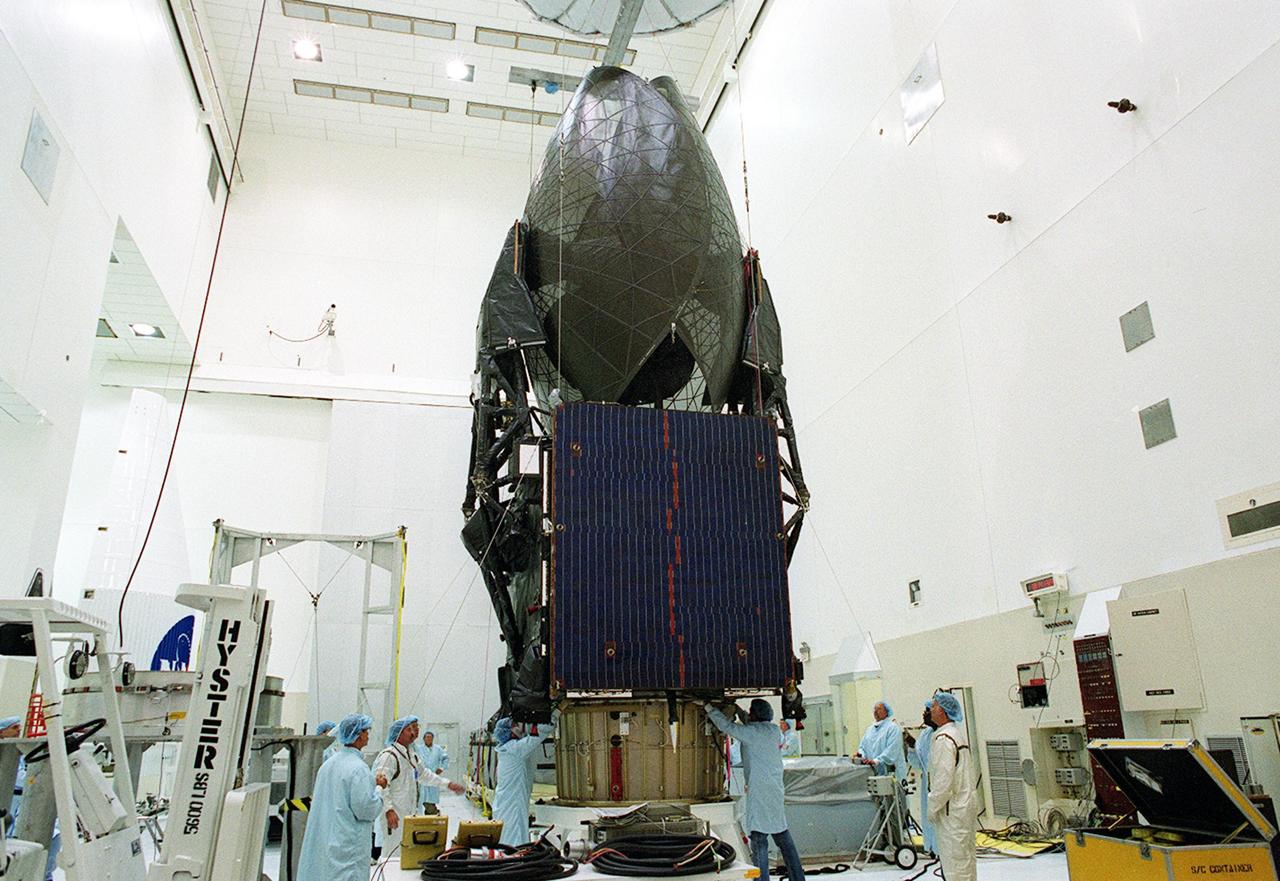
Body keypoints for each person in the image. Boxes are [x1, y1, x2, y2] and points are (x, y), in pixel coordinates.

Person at [701, 699, 806, 881]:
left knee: (758, 838)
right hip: (775, 788)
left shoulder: (751, 733)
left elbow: (727, 726)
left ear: (754, 714)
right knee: (782, 834)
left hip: (759, 791)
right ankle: (798, 877)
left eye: (751, 712)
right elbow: (751, 722)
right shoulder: (773, 731)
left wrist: (708, 707)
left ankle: (761, 878)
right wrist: (738, 709)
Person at [297, 713, 385, 881]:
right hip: (347, 847)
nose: (368, 735)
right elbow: (366, 809)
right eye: (366, 731)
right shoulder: (359, 768)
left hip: (328, 842)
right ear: (358, 735)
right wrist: (379, 788)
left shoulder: (329, 764)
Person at [374, 716, 462, 852]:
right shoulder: (389, 756)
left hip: (408, 814)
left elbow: (424, 775)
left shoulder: (411, 754)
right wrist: (388, 810)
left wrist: (447, 784)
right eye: (410, 729)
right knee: (392, 853)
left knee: (405, 852)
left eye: (416, 728)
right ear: (399, 733)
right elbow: (382, 787)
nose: (414, 733)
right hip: (394, 814)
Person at [927, 692, 978, 881]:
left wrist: (932, 808)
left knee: (955, 863)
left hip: (952, 811)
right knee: (965, 859)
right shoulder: (955, 734)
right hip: (962, 807)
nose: (930, 710)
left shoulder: (944, 740)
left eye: (933, 706)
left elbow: (942, 783)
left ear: (943, 711)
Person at [491, 717, 554, 847]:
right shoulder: (515, 749)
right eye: (515, 725)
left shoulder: (507, 749)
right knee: (515, 832)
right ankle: (515, 859)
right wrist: (554, 714)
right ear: (510, 731)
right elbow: (539, 735)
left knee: (511, 831)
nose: (519, 727)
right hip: (512, 802)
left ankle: (513, 855)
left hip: (506, 800)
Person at [904, 701, 938, 855]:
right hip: (928, 784)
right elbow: (918, 762)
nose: (923, 714)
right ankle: (931, 848)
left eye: (927, 710)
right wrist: (911, 745)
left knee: (940, 818)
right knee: (928, 816)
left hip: (939, 785)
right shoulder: (925, 734)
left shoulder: (945, 735)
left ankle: (940, 849)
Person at [855, 701, 905, 780]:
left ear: (886, 712)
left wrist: (877, 761)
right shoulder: (870, 730)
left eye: (879, 709)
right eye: (874, 709)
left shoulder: (892, 728)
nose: (875, 711)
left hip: (891, 773)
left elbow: (892, 750)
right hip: (873, 773)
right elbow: (862, 747)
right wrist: (862, 756)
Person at [416, 729, 450, 814]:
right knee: (422, 799)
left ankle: (432, 814)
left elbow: (445, 758)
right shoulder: (418, 748)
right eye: (427, 738)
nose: (428, 739)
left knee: (431, 799)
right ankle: (433, 812)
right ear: (423, 739)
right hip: (422, 777)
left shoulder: (438, 749)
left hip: (433, 777)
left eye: (430, 738)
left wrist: (442, 768)